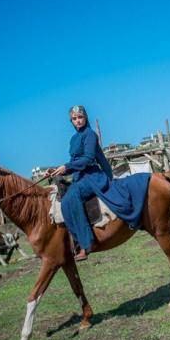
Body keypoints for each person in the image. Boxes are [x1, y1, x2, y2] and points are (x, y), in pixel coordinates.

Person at [46, 105, 113, 261]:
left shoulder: (90, 135)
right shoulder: (73, 139)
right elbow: (73, 163)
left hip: (92, 176)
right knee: (64, 201)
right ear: (71, 121)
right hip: (79, 177)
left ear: (85, 118)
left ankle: (86, 244)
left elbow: (89, 159)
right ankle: (73, 241)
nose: (78, 121)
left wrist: (67, 167)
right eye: (74, 119)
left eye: (80, 117)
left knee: (71, 197)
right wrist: (56, 170)